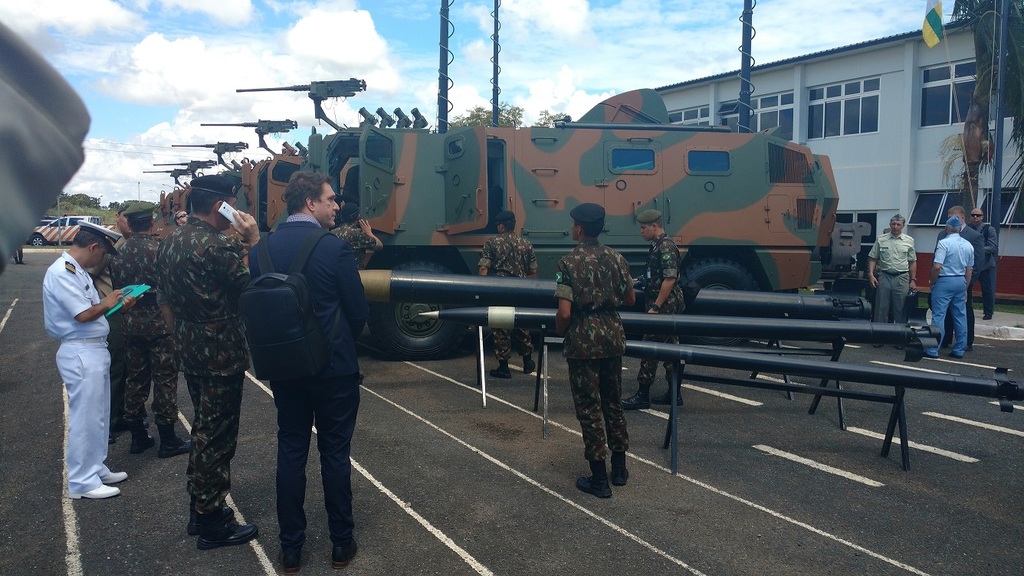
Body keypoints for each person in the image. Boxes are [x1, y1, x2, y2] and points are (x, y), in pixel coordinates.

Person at [250, 171, 369, 574]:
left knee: (291, 451)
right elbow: (357, 310)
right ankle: (341, 544)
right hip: (333, 368)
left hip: (286, 369)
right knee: (335, 453)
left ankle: (291, 550)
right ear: (310, 203)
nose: (337, 205)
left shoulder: (261, 249)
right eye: (331, 199)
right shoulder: (333, 249)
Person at [156, 174, 261, 549]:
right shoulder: (215, 246)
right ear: (222, 206)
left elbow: (163, 299)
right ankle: (211, 520)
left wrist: (179, 337)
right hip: (220, 351)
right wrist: (252, 241)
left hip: (189, 345)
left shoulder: (171, 242)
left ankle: (199, 510)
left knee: (204, 427)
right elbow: (249, 283)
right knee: (215, 437)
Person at [43, 222, 133, 499]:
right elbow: (82, 315)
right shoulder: (62, 273)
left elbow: (93, 311)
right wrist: (109, 302)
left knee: (98, 414)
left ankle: (95, 467)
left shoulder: (76, 271)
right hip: (80, 351)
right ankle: (82, 481)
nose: (102, 260)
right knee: (85, 418)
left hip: (92, 349)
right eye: (103, 253)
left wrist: (117, 304)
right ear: (94, 247)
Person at [554, 203, 636, 498]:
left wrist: (562, 331)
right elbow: (630, 298)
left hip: (583, 341)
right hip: (613, 336)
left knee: (589, 408)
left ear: (579, 228)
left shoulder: (567, 263)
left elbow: (564, 312)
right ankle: (620, 469)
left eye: (574, 223)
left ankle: (599, 479)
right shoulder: (616, 257)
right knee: (613, 402)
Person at [110, 201, 191, 458]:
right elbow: (173, 287)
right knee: (165, 380)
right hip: (160, 324)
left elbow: (117, 288)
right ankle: (167, 439)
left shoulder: (117, 253)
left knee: (135, 379)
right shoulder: (160, 249)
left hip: (131, 323)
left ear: (129, 223)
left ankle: (138, 437)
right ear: (152, 222)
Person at [623, 209, 684, 409]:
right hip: (664, 306)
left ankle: (642, 395)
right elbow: (655, 275)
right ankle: (674, 394)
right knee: (671, 350)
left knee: (650, 348)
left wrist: (656, 306)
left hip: (663, 307)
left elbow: (670, 278)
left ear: (654, 226)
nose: (641, 232)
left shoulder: (665, 247)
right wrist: (637, 281)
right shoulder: (658, 245)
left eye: (643, 228)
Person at [478, 210, 537, 378]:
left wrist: (482, 287)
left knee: (501, 326)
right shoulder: (526, 244)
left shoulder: (492, 243)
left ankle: (503, 367)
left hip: (500, 289)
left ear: (501, 226)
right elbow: (533, 271)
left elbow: (484, 267)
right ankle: (527, 362)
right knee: (522, 324)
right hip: (521, 288)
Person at [88, 208, 131, 443]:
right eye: (126, 218)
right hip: (108, 312)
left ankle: (118, 414)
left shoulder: (126, 241)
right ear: (117, 217)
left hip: (121, 310)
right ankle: (107, 424)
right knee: (113, 369)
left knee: (123, 367)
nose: (130, 223)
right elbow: (89, 274)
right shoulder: (108, 243)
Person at [925, 216, 974, 359]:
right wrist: (965, 287)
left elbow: (937, 266)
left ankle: (933, 349)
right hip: (960, 280)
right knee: (960, 315)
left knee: (939, 315)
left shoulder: (943, 244)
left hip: (944, 280)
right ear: (960, 229)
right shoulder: (968, 245)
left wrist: (932, 281)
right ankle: (960, 348)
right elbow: (969, 269)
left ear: (947, 228)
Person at [937, 205, 984, 350]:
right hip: (944, 279)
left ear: (962, 218)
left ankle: (966, 342)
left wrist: (968, 282)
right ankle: (944, 339)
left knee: (963, 312)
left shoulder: (974, 236)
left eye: (952, 217)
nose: (949, 220)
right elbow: (937, 259)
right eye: (948, 217)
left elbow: (977, 262)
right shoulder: (942, 234)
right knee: (944, 312)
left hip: (963, 280)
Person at [866, 214, 917, 347]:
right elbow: (872, 258)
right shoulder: (881, 239)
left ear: (903, 226)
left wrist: (913, 280)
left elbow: (912, 261)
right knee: (881, 308)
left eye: (898, 224)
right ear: (890, 224)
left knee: (900, 308)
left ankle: (899, 338)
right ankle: (879, 337)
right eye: (893, 224)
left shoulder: (909, 240)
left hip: (902, 277)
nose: (895, 227)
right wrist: (871, 274)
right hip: (884, 276)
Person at [967, 208, 998, 320]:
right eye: (973, 215)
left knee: (986, 289)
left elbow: (993, 247)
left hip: (985, 265)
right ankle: (967, 308)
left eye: (978, 215)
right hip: (971, 264)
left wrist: (977, 249)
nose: (975, 217)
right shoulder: (967, 229)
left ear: (982, 217)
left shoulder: (989, 229)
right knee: (967, 287)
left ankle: (988, 312)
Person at [331, 202, 382, 269]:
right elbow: (379, 246)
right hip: (353, 272)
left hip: (335, 271)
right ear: (358, 216)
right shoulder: (357, 234)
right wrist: (369, 233)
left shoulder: (332, 233)